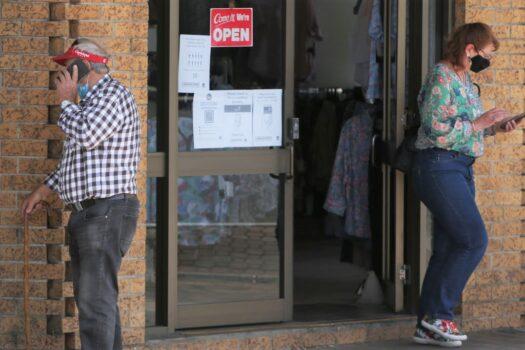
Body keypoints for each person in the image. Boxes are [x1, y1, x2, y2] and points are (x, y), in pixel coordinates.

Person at [21, 38, 141, 350]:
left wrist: (65, 102)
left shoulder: (113, 96)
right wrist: (44, 189)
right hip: (89, 213)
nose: (62, 77)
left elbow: (87, 135)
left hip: (106, 211)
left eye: (67, 69)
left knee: (95, 304)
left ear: (82, 66)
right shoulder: (86, 106)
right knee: (99, 302)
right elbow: (74, 163)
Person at [411, 23, 519, 348]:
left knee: (449, 246)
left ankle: (427, 326)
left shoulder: (466, 81)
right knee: (473, 240)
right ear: (470, 49)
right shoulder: (442, 77)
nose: (485, 61)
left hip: (458, 167)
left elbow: (469, 128)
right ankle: (440, 315)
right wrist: (477, 123)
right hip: (438, 164)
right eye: (485, 55)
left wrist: (495, 128)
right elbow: (434, 128)